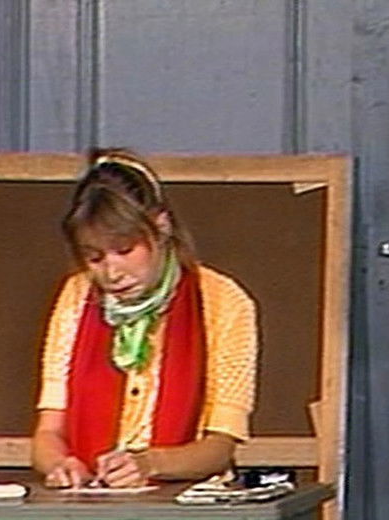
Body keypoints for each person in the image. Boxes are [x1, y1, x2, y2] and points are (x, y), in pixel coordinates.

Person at [31, 148, 258, 489]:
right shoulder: (77, 296)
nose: (111, 273)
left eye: (125, 250)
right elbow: (49, 432)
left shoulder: (223, 300)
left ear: (160, 226)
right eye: (94, 258)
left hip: (186, 502)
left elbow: (220, 448)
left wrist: (151, 463)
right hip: (92, 500)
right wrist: (60, 465)